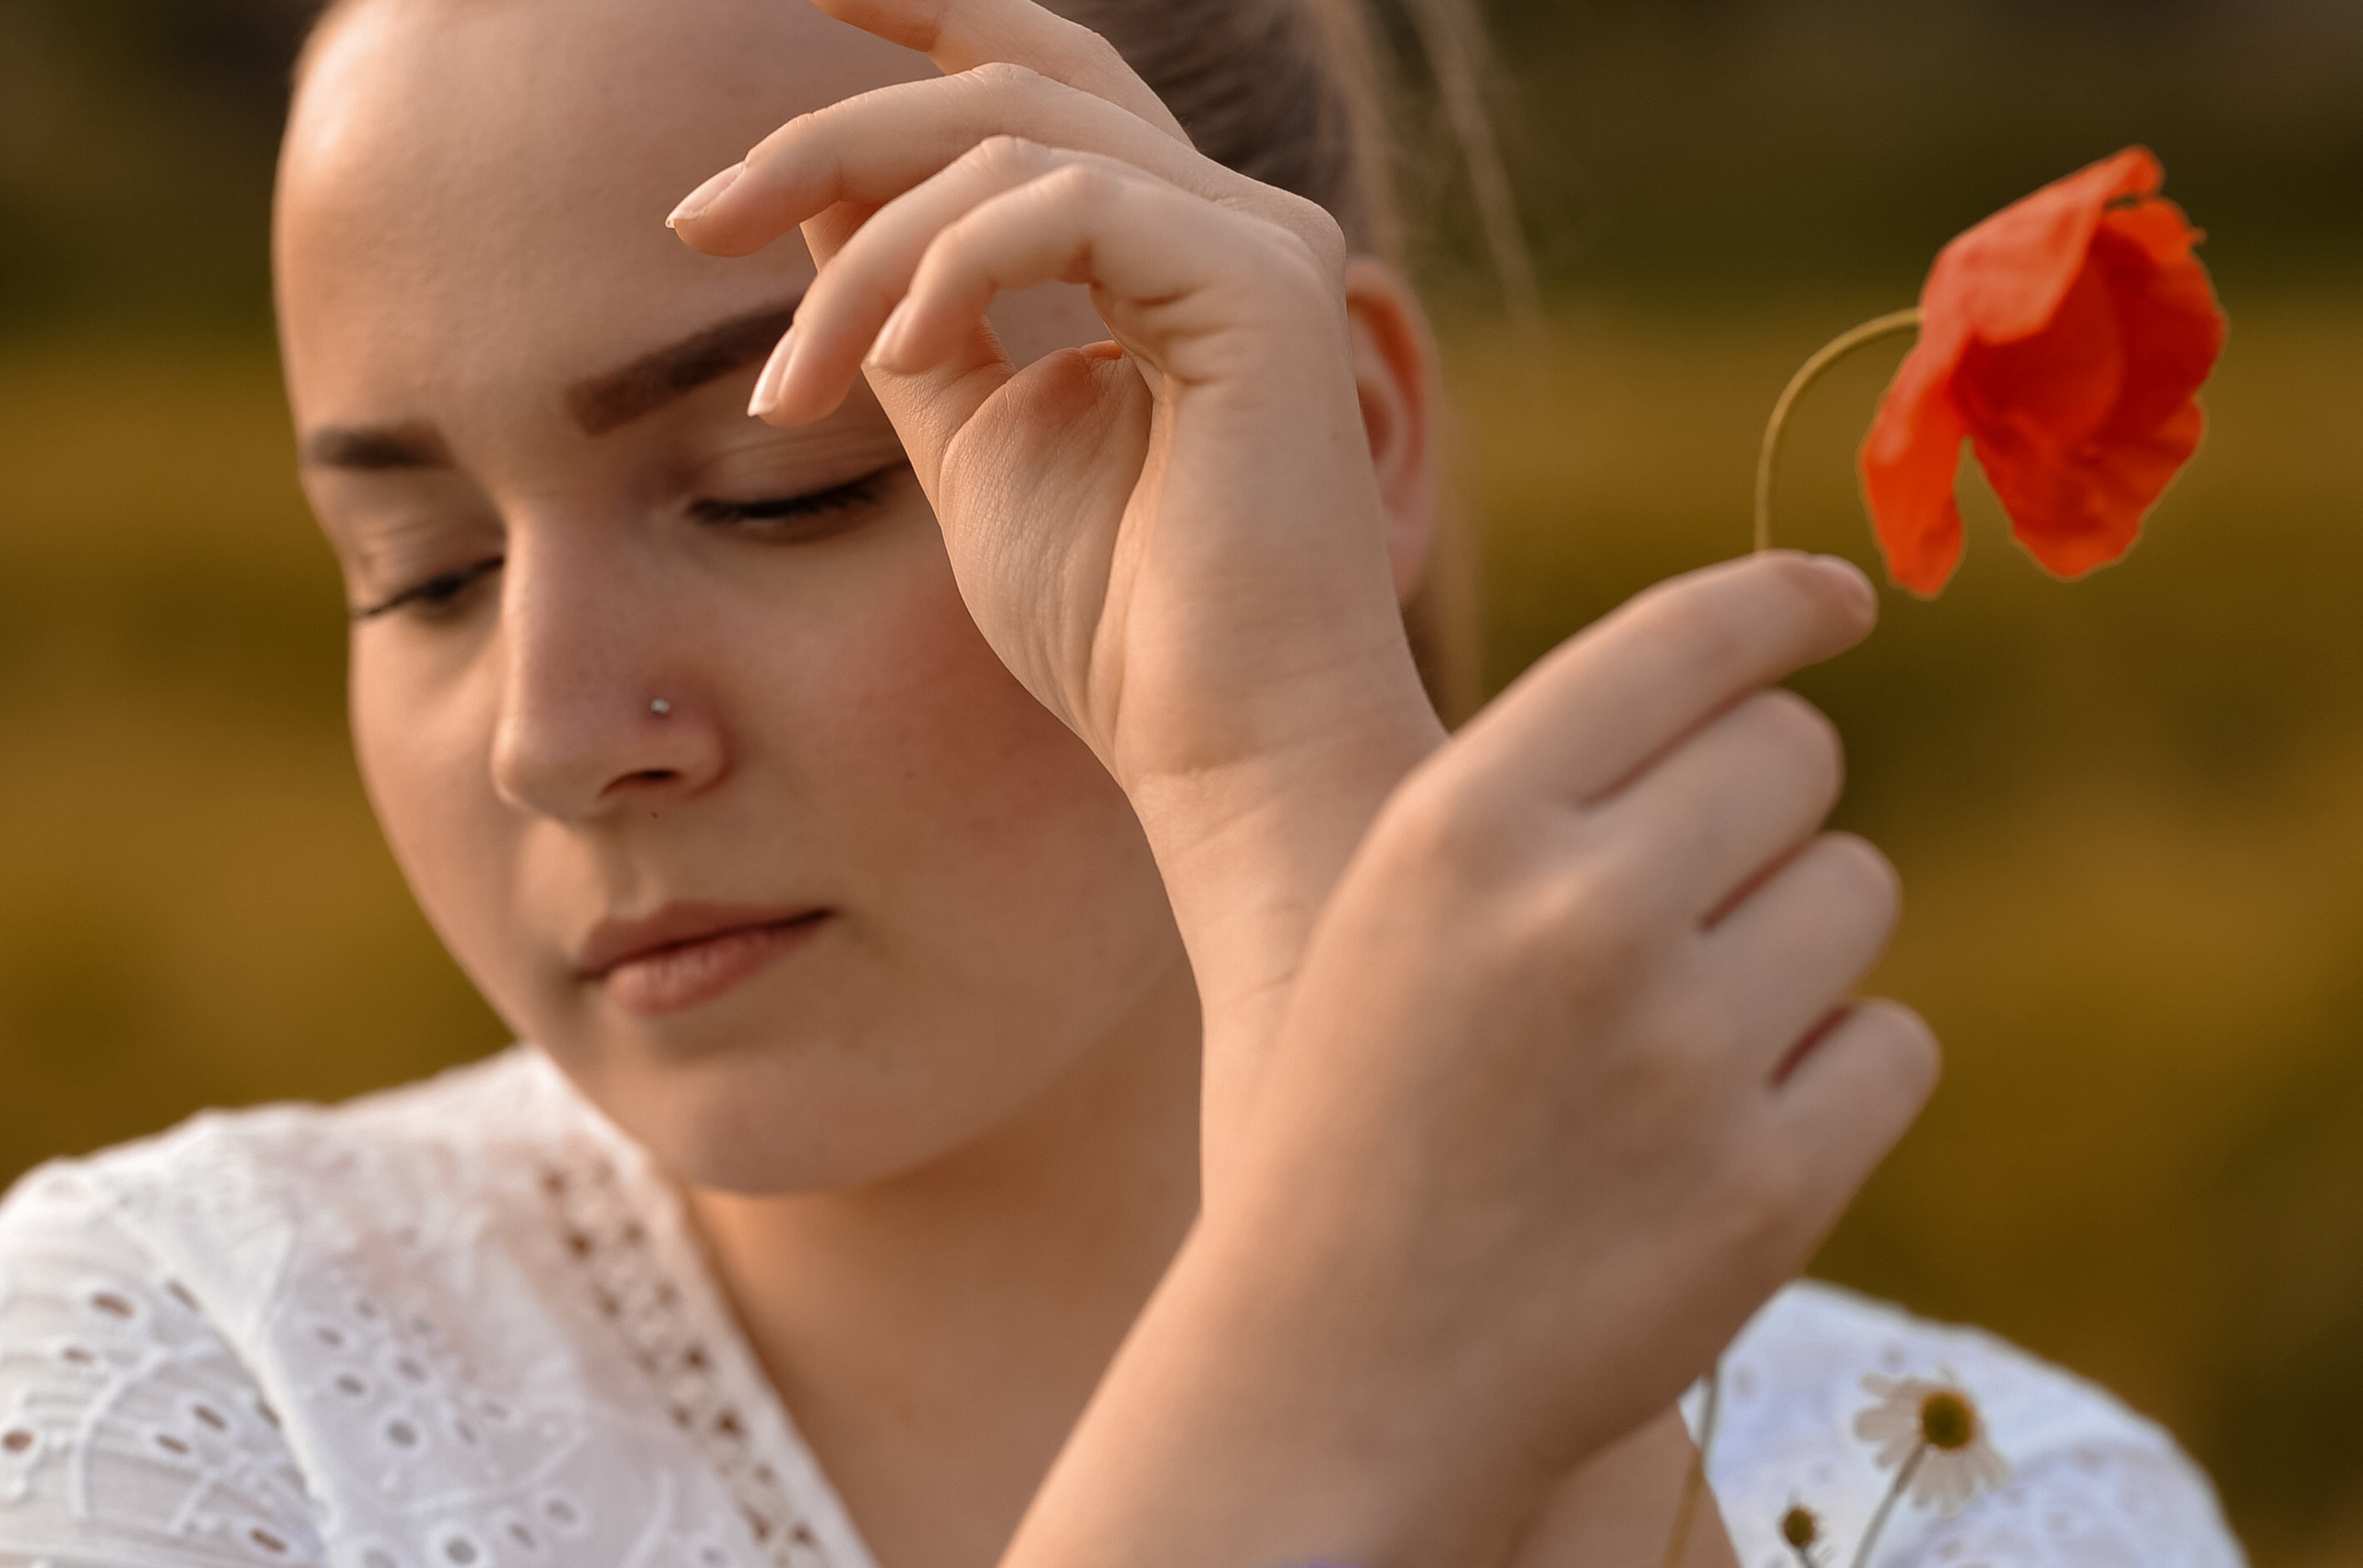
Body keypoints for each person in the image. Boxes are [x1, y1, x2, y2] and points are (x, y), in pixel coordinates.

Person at [0, 0, 2240, 1563]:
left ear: (1330, 441)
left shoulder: (1997, 1508)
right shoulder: (171, 1377)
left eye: (786, 484)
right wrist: (1341, 1387)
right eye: (421, 569)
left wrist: (1280, 778)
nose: (550, 732)